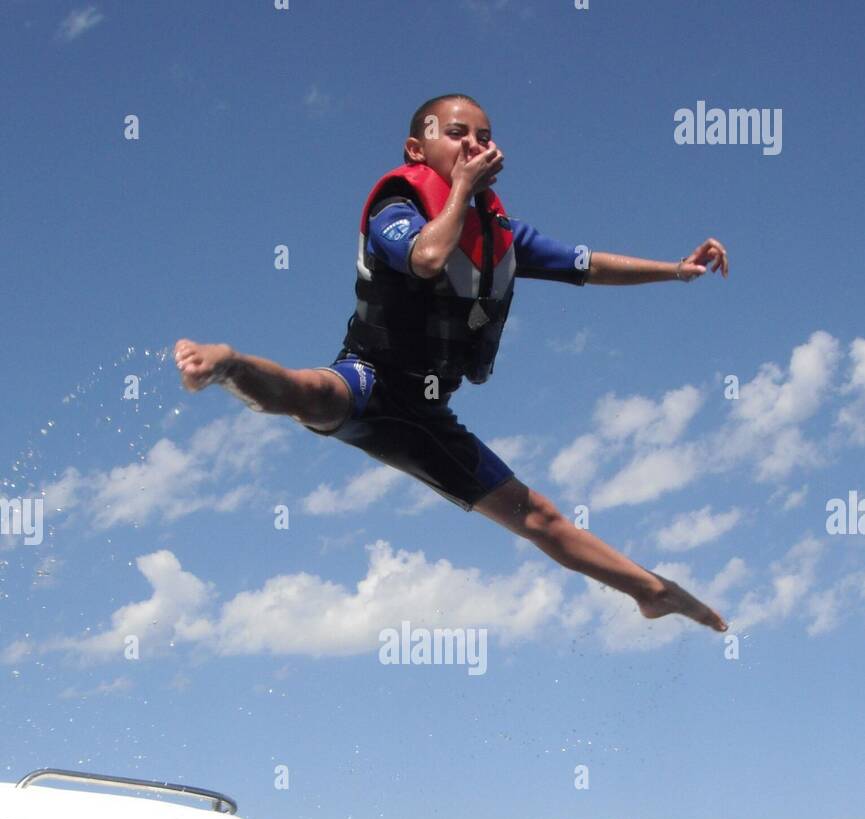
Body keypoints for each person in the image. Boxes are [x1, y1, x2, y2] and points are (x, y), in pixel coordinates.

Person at [174, 93, 729, 631]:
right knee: (313, 396)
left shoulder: (501, 234)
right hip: (370, 379)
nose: (473, 143)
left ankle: (650, 590)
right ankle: (229, 365)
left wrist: (677, 269)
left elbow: (590, 266)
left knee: (538, 517)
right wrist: (462, 188)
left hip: (429, 415)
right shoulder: (396, 207)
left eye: (484, 136)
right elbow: (427, 257)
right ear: (417, 149)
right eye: (458, 133)